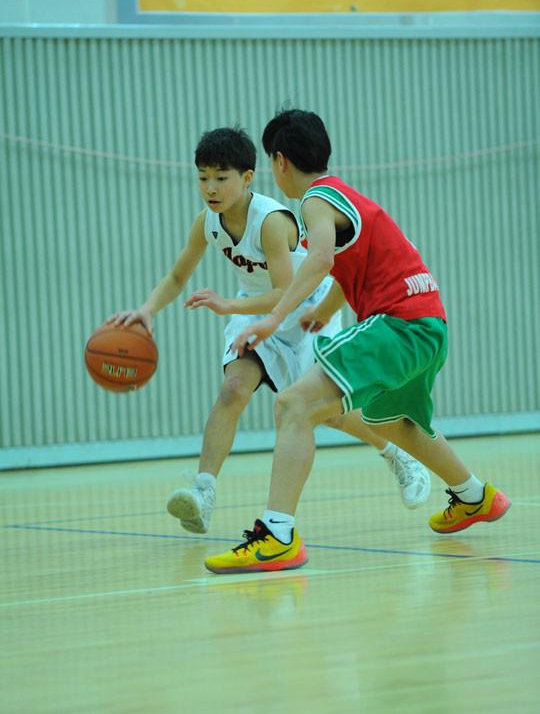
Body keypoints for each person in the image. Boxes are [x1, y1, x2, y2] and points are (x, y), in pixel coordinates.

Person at [204, 110, 511, 574]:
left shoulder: (314, 201)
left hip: (399, 324)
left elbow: (320, 259)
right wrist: (324, 311)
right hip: (429, 324)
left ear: (280, 161)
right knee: (392, 422)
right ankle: (474, 496)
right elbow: (352, 267)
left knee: (292, 405)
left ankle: (278, 536)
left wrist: (275, 318)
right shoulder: (344, 195)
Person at [108, 126, 430, 535]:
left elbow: (284, 292)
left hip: (306, 308)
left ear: (247, 177)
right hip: (257, 308)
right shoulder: (207, 222)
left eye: (221, 177)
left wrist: (228, 305)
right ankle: (203, 493)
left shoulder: (271, 221)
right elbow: (176, 277)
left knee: (327, 414)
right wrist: (146, 310)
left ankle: (397, 453)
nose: (210, 187)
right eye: (203, 177)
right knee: (233, 389)